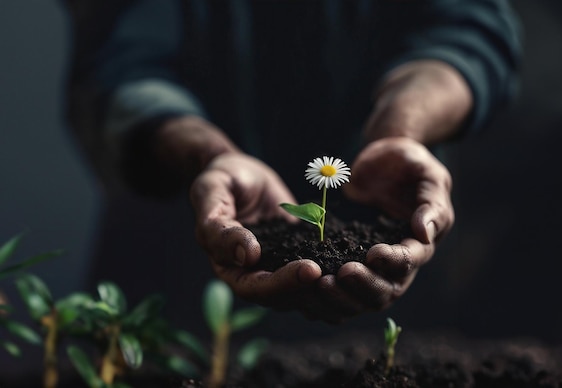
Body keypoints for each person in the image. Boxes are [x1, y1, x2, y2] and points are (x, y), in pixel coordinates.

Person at [62, 0, 521, 331]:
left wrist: (401, 128)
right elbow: (119, 63)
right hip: (183, 254)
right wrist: (210, 156)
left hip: (397, 261)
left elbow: (472, 30)